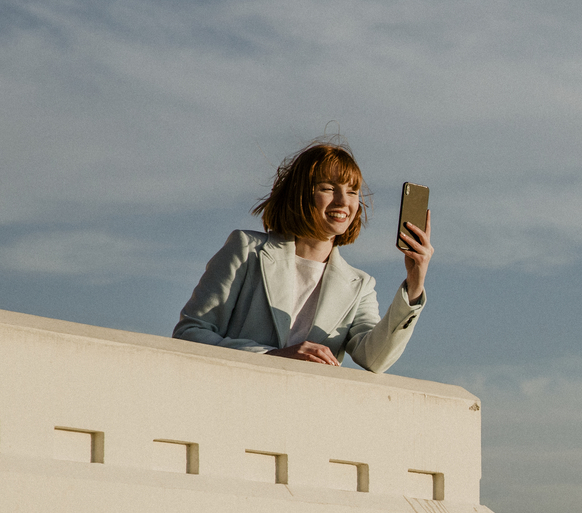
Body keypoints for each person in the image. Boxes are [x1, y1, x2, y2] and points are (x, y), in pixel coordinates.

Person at [174, 141, 433, 373]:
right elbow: (190, 333)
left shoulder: (360, 285)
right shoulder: (246, 249)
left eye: (353, 191)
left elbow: (375, 359)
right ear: (301, 193)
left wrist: (414, 285)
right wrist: (271, 357)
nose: (344, 201)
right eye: (329, 188)